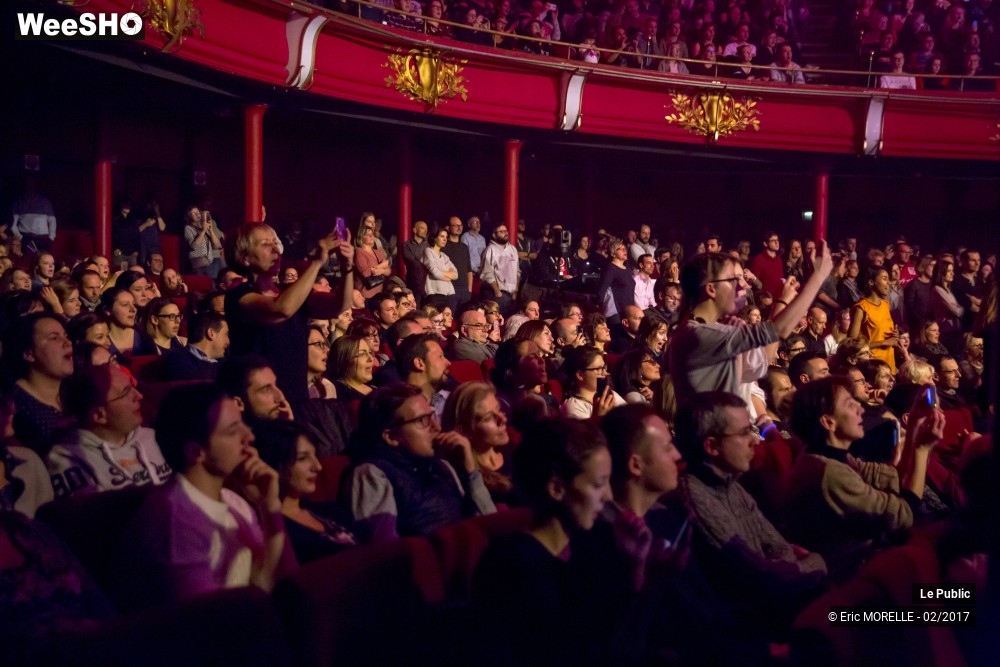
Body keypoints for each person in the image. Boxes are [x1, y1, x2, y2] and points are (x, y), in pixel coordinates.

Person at [473, 417, 628, 667]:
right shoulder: (511, 569)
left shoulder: (586, 546)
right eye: (599, 484)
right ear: (556, 488)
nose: (609, 495)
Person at [120, 384, 292, 606]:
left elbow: (278, 581)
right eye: (233, 431)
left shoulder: (233, 501)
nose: (249, 436)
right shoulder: (175, 520)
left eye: (243, 424)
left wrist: (269, 507)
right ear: (196, 452)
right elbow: (214, 622)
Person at [674, 391, 827, 629]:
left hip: (781, 606)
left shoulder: (731, 485)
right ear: (712, 445)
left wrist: (788, 568)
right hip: (748, 629)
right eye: (745, 432)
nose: (755, 441)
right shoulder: (696, 498)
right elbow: (762, 577)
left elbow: (778, 547)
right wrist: (816, 562)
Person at [785, 377, 945, 578]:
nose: (861, 409)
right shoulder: (827, 472)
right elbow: (902, 515)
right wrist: (922, 449)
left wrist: (914, 425)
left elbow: (896, 478)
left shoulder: (834, 457)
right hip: (849, 577)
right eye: (850, 404)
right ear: (828, 421)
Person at [671, 246, 833, 397]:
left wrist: (782, 303)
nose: (744, 286)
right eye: (736, 279)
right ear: (711, 289)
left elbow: (761, 360)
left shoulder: (717, 327)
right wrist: (817, 278)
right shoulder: (699, 335)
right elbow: (778, 330)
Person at [224, 222, 353, 406]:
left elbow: (339, 305)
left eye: (275, 243)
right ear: (245, 258)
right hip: (261, 402)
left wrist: (347, 267)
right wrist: (316, 262)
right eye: (265, 244)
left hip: (297, 398)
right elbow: (281, 309)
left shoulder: (291, 293)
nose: (276, 249)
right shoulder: (238, 296)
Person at [347, 383, 496, 542]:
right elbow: (387, 553)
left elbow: (492, 526)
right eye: (422, 420)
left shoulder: (442, 466)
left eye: (432, 416)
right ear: (390, 437)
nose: (436, 427)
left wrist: (471, 474)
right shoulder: (370, 474)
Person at [47, 365, 170, 497]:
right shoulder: (68, 459)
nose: (139, 396)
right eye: (125, 392)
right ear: (99, 415)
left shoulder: (155, 437)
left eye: (132, 387)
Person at [253, 420, 358, 564]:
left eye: (315, 455)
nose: (318, 466)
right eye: (302, 458)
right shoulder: (272, 529)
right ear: (273, 463)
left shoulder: (331, 510)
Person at [2, 313, 74, 455]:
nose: (68, 342)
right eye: (54, 337)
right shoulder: (14, 408)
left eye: (65, 336)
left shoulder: (75, 393)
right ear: (29, 353)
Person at [441, 382, 512, 502]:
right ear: (463, 431)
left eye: (499, 410)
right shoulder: (464, 478)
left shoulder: (517, 454)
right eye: (488, 418)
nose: (503, 419)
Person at [849, 266, 899, 374]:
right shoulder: (861, 308)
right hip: (873, 367)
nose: (889, 283)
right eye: (884, 279)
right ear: (871, 282)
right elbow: (851, 343)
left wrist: (895, 335)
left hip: (889, 365)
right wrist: (883, 343)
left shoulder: (885, 304)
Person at [162, 311, 229, 381]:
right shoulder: (176, 362)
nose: (228, 341)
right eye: (226, 335)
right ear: (211, 333)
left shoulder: (226, 363)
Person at [560, 346, 626, 419]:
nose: (605, 373)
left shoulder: (609, 394)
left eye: (604, 367)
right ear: (580, 375)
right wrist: (599, 417)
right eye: (599, 369)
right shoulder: (574, 408)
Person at [99, 287, 154, 358]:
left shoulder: (144, 338)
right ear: (108, 311)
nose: (133, 309)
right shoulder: (101, 342)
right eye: (125, 305)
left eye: (133, 304)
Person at [479, 223, 519, 315]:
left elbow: (517, 271)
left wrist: (515, 290)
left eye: (506, 231)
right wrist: (497, 292)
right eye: (501, 232)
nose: (505, 233)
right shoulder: (490, 250)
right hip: (496, 294)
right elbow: (486, 273)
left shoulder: (512, 249)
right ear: (494, 235)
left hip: (511, 295)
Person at [328, 334, 375, 402]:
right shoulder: (338, 394)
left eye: (370, 352)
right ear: (343, 360)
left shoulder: (375, 388)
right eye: (361, 354)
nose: (371, 359)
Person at [423, 227, 459, 312]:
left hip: (449, 294)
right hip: (435, 294)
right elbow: (435, 273)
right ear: (435, 238)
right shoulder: (428, 251)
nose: (445, 239)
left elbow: (456, 275)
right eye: (442, 236)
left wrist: (441, 273)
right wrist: (448, 276)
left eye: (446, 237)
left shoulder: (444, 256)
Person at [182, 204, 224, 278]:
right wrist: (203, 231)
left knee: (214, 284)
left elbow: (217, 245)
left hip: (211, 261)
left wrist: (210, 230)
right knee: (201, 283)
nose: (197, 215)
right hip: (199, 262)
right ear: (189, 216)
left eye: (198, 213)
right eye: (194, 213)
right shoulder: (188, 229)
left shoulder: (206, 224)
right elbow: (195, 246)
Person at [598, 238, 636, 318]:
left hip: (629, 311)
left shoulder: (627, 269)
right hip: (616, 312)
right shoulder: (610, 268)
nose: (624, 251)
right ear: (613, 253)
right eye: (620, 249)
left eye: (624, 249)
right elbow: (602, 290)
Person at [354, 224, 392, 300]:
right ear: (361, 237)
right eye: (368, 235)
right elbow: (365, 273)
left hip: (379, 292)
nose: (371, 236)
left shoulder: (378, 251)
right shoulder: (359, 251)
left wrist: (381, 270)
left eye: (372, 234)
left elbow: (389, 271)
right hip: (366, 294)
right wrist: (381, 266)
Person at [443, 217, 473, 307]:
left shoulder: (464, 247)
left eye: (460, 225)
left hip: (464, 290)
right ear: (448, 228)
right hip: (450, 288)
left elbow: (469, 270)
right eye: (456, 225)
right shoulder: (443, 247)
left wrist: (469, 289)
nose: (459, 228)